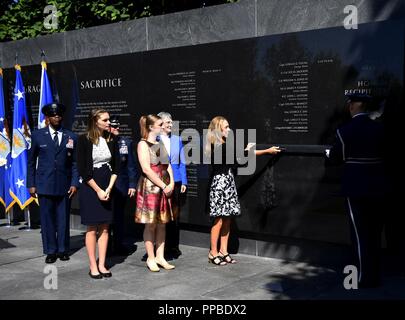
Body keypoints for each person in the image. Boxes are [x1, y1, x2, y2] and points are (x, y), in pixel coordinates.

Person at [326, 92, 388, 288]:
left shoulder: (344, 131)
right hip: (379, 184)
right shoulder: (380, 128)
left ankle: (361, 278)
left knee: (360, 234)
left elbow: (336, 157)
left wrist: (328, 154)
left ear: (353, 106)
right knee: (375, 232)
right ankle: (375, 274)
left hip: (356, 186)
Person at [205, 116, 281, 266]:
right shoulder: (220, 146)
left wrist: (253, 150)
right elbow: (243, 156)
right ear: (218, 130)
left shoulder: (226, 145)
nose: (229, 129)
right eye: (225, 127)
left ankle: (223, 251)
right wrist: (264, 150)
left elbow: (243, 154)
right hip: (221, 184)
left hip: (228, 182)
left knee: (227, 219)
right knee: (219, 220)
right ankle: (213, 252)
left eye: (228, 126)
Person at [27, 103, 79, 264]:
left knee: (63, 219)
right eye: (53, 115)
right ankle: (50, 250)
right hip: (44, 184)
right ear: (47, 118)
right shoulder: (37, 135)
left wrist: (74, 183)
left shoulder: (71, 136)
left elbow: (75, 163)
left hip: (64, 185)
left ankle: (63, 249)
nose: (56, 117)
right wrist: (31, 184)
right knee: (47, 219)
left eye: (58, 115)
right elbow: (30, 162)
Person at [77, 109, 119, 279]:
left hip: (107, 187)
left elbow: (117, 167)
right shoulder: (83, 140)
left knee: (105, 227)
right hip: (91, 188)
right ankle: (93, 266)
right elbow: (83, 170)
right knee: (92, 228)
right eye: (106, 120)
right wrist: (99, 190)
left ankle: (102, 264)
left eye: (109, 119)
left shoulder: (111, 139)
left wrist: (108, 188)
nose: (109, 122)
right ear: (95, 121)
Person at [135, 114, 177, 272]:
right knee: (151, 223)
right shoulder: (142, 144)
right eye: (160, 124)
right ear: (151, 127)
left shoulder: (159, 143)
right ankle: (151, 258)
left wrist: (171, 182)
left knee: (162, 223)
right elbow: (146, 169)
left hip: (164, 186)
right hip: (151, 187)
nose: (163, 126)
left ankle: (161, 256)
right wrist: (163, 185)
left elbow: (168, 166)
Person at [157, 112, 187, 259]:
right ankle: (160, 247)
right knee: (161, 215)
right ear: (160, 124)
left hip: (176, 181)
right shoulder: (153, 140)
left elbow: (182, 162)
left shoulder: (177, 139)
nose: (170, 125)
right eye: (167, 122)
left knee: (175, 216)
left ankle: (173, 246)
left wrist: (184, 181)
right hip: (159, 182)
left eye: (171, 122)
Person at [108, 116, 137, 255]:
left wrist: (132, 184)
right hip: (105, 185)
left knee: (119, 216)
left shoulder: (125, 142)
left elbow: (131, 165)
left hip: (121, 184)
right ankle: (106, 246)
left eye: (118, 126)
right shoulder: (100, 142)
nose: (117, 128)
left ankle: (118, 244)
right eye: (114, 126)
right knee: (106, 217)